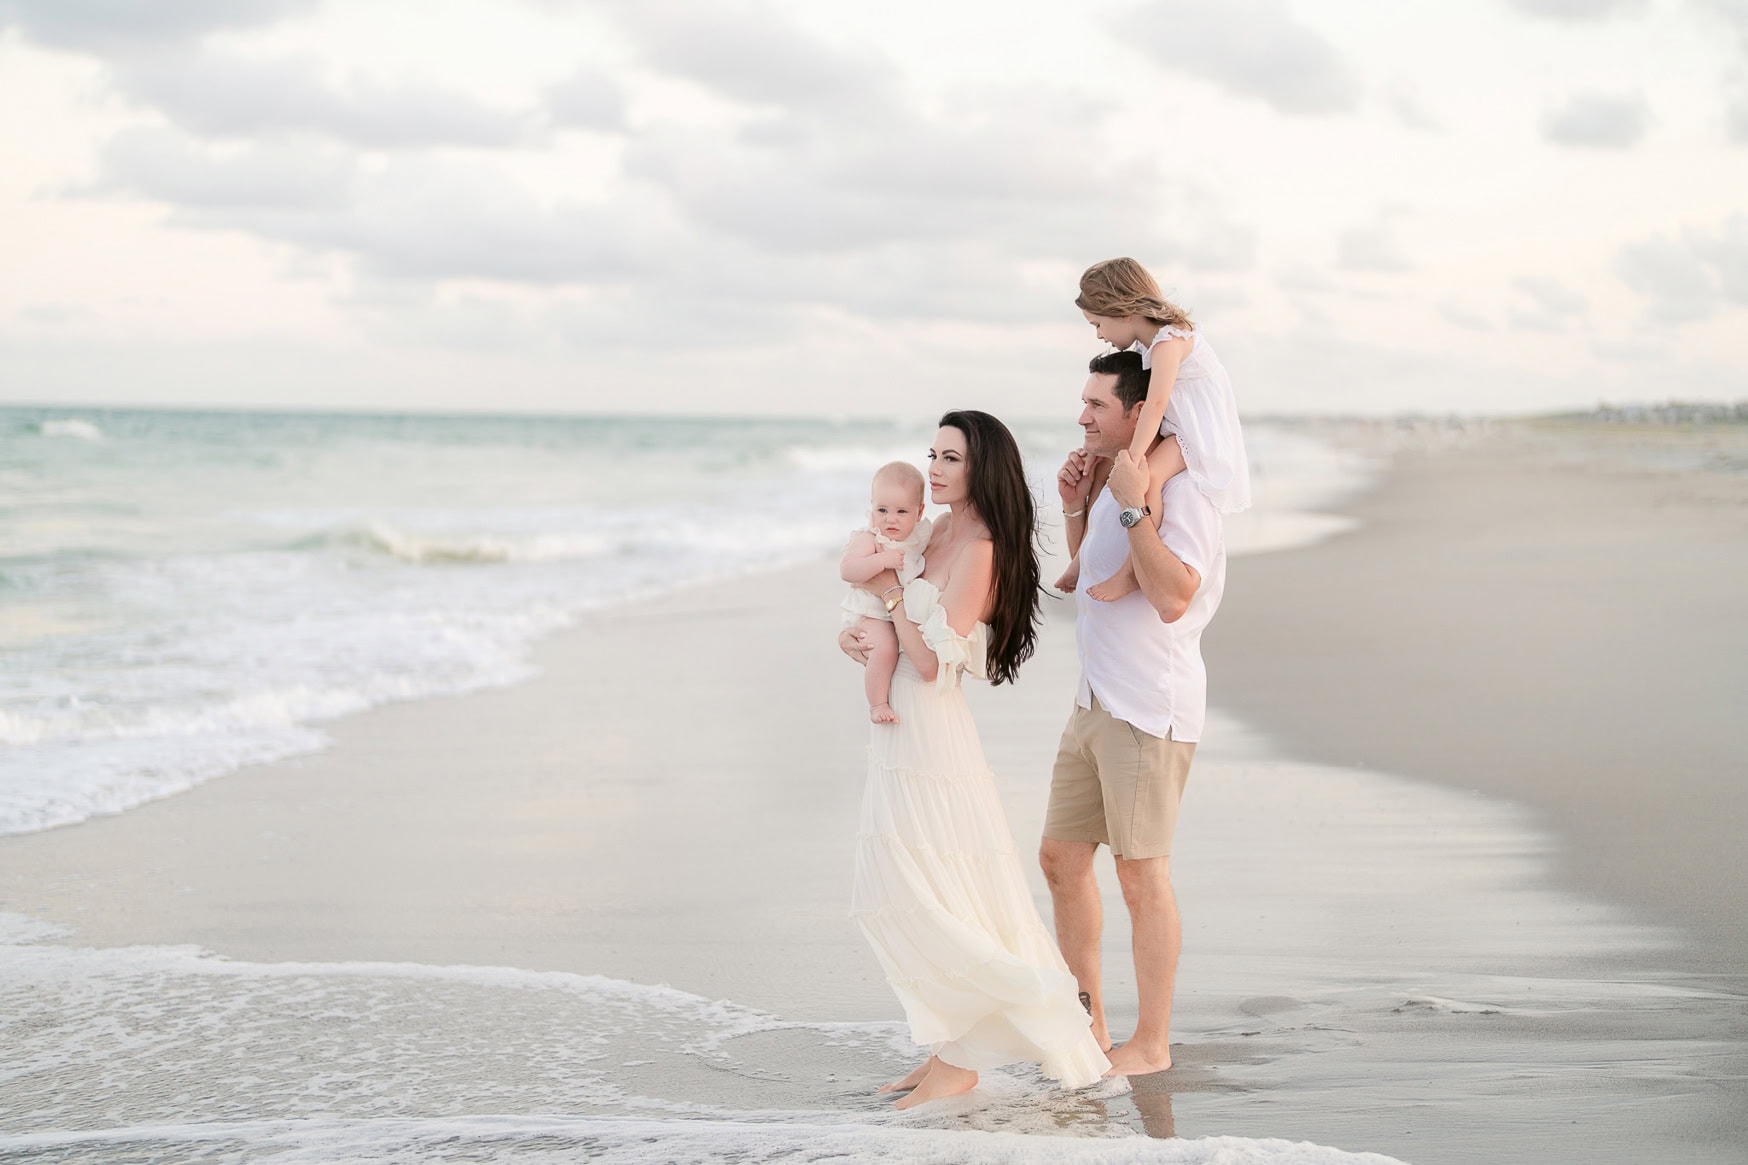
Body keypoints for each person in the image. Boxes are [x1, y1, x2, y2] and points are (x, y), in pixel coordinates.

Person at [838, 410, 1110, 1108]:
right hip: (899, 727)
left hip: (931, 726)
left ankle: (963, 1060)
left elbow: (931, 660)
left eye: (950, 457)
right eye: (932, 453)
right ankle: (945, 1050)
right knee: (906, 879)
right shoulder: (933, 528)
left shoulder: (981, 545)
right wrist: (863, 635)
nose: (934, 467)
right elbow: (885, 611)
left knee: (932, 879)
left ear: (979, 466)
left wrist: (894, 597)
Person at [1040, 350, 1227, 1077]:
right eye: (1082, 402)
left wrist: (1127, 500)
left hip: (1149, 704)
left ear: (1135, 413)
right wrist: (1077, 507)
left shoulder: (1186, 495)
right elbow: (1091, 576)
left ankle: (1151, 1043)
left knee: (1140, 873)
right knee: (1059, 858)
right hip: (1093, 698)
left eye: (1096, 405)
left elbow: (1173, 592)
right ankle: (1088, 1025)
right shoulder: (1116, 478)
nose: (1082, 415)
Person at [1057, 257, 1249, 602]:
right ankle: (1083, 560)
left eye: (1098, 323)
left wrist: (1132, 458)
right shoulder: (1152, 344)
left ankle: (1131, 573)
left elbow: (1156, 404)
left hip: (1194, 433)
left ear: (1122, 310)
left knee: (1149, 479)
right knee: (1132, 474)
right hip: (1179, 427)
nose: (1098, 334)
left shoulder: (1168, 341)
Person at [838, 461, 933, 724]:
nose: (890, 519)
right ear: (872, 507)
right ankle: (877, 704)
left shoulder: (919, 537)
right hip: (873, 612)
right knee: (885, 647)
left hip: (898, 611)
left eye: (902, 511)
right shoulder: (870, 539)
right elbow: (848, 570)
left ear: (919, 511)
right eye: (882, 510)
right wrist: (882, 561)